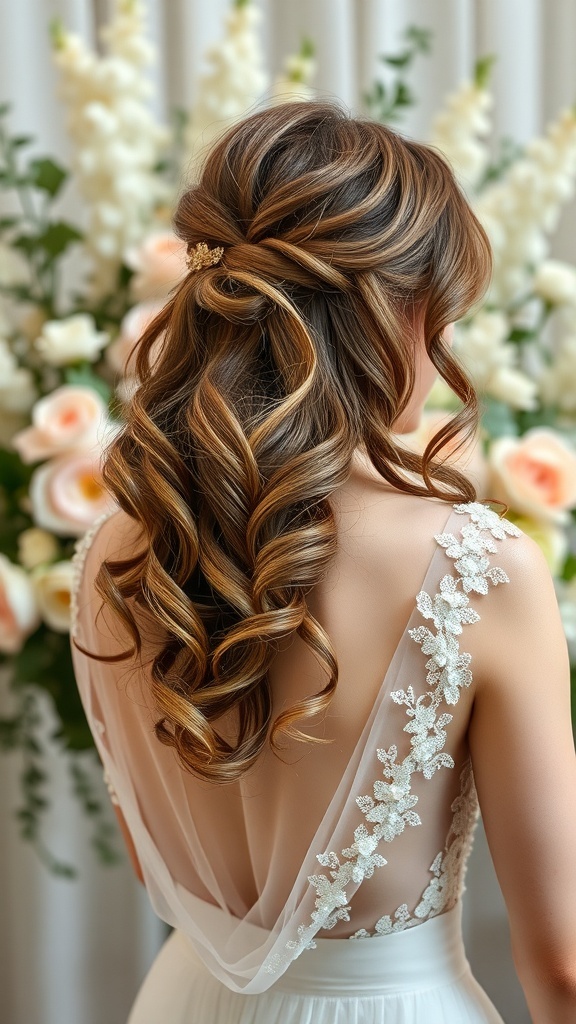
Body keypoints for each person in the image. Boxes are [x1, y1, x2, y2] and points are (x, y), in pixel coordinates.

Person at [70, 101, 576, 1023]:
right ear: (395, 310)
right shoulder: (483, 570)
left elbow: (153, 863)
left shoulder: (116, 548)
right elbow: (565, 966)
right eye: (444, 311)